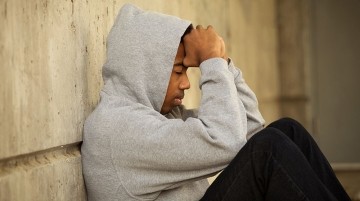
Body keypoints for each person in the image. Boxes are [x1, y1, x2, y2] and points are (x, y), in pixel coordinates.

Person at [81, 4, 351, 201]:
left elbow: (251, 128)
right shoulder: (118, 130)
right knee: (267, 151)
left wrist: (223, 63)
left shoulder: (157, 117)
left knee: (287, 131)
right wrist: (211, 62)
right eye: (178, 71)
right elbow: (229, 141)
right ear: (145, 68)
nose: (186, 83)